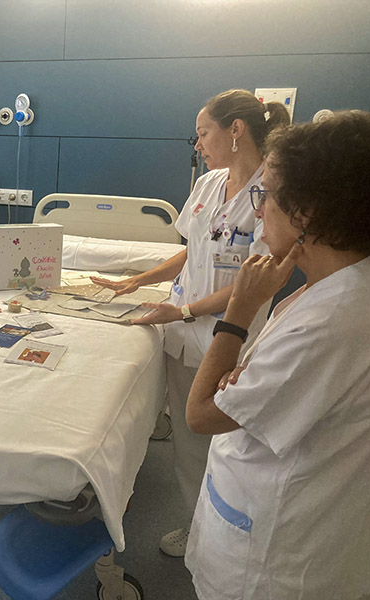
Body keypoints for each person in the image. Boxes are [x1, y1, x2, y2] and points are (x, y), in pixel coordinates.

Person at [185, 111, 370, 599]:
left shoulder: (329, 322)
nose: (259, 208)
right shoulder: (350, 283)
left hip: (272, 561)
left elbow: (201, 412)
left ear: (307, 213)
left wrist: (239, 309)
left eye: (266, 194)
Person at [91, 89, 289, 557]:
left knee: (222, 449)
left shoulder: (270, 194)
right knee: (187, 444)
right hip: (181, 331)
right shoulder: (208, 184)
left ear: (234, 130)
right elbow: (193, 251)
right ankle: (196, 525)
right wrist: (138, 280)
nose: (197, 144)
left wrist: (180, 311)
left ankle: (212, 539)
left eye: (203, 133)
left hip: (227, 338)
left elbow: (254, 281)